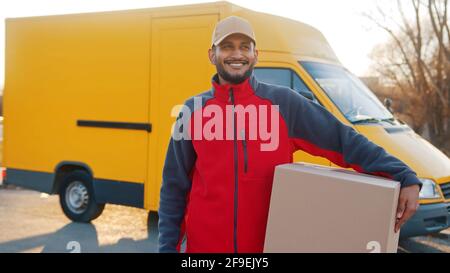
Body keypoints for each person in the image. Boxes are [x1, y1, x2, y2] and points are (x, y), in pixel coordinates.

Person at [158, 16, 421, 253]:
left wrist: (403, 175)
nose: (236, 54)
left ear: (255, 55)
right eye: (226, 46)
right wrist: (167, 248)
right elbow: (174, 187)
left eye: (244, 46)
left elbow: (343, 141)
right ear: (211, 54)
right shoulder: (192, 111)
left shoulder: (284, 104)